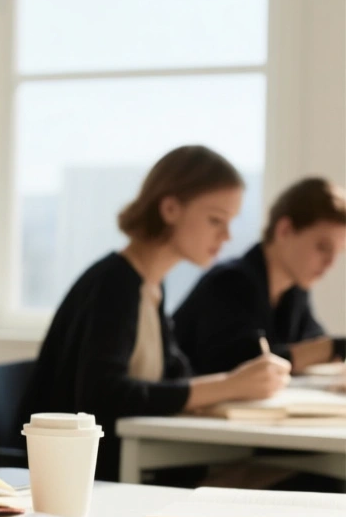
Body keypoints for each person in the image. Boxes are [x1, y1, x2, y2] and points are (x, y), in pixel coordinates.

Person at [20, 145, 291, 482]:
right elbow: (104, 395)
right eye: (215, 220)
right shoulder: (115, 284)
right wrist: (227, 386)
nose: (226, 236)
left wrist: (237, 382)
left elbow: (172, 378)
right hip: (81, 477)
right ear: (171, 208)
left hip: (126, 464)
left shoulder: (151, 287)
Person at [175, 177, 346, 374]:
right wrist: (332, 348)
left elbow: (316, 347)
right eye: (323, 248)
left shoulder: (294, 292)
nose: (331, 263)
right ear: (285, 230)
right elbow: (238, 367)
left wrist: (330, 351)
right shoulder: (229, 282)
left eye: (338, 252)